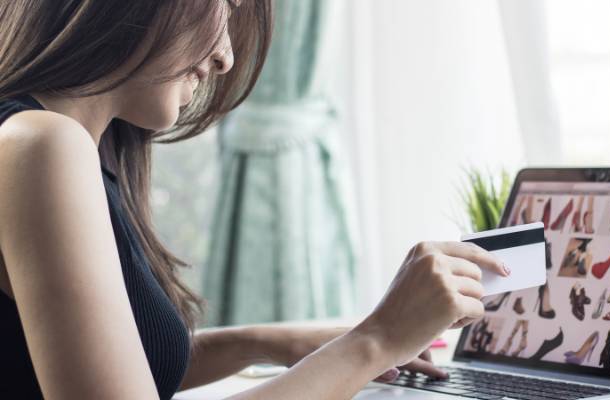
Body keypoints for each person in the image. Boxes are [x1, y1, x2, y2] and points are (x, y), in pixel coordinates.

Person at [0, 1, 509, 399]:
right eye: (227, 5)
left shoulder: (63, 146)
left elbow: (99, 374)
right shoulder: (42, 144)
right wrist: (378, 340)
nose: (225, 56)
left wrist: (262, 341)